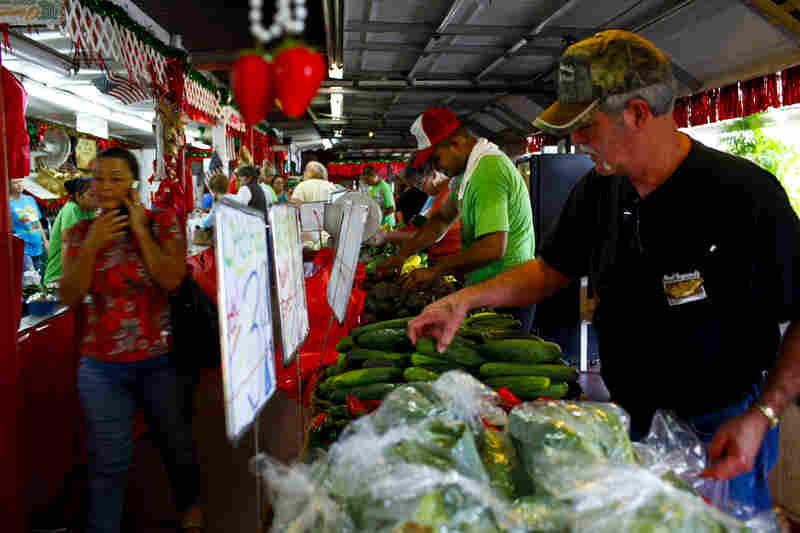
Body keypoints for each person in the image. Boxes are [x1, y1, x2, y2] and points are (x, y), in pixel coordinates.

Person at [408, 30, 800, 511]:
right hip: (630, 422)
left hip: (723, 429)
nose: (575, 140)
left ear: (636, 113)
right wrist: (463, 300)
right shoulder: (600, 189)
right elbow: (549, 270)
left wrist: (763, 415)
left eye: (586, 126)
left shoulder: (743, 195)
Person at [60, 148, 203, 533]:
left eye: (116, 178)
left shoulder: (162, 224)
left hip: (160, 360)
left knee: (175, 445)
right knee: (109, 461)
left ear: (133, 185)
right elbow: (70, 296)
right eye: (98, 178)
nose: (105, 187)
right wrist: (92, 245)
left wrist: (140, 230)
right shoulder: (79, 234)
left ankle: (191, 511)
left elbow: (172, 279)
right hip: (100, 366)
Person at [377, 107, 536, 328]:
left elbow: (493, 248)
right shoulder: (466, 174)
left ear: (456, 143)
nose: (436, 168)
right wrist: (402, 255)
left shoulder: (488, 171)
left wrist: (435, 271)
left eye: (436, 159)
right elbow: (442, 219)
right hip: (490, 289)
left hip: (507, 293)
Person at [372, 162, 462, 262]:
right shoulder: (437, 194)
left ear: (434, 175)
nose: (422, 190)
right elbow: (424, 217)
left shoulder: (447, 193)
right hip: (440, 254)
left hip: (451, 255)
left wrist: (387, 236)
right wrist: (404, 229)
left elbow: (430, 233)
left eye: (420, 184)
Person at [43, 177, 96, 285]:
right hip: (59, 278)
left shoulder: (90, 211)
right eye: (91, 195)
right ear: (78, 196)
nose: (96, 200)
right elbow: (67, 244)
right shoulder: (71, 209)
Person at [10, 177, 49, 276]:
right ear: (9, 185)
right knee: (30, 279)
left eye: (20, 181)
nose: (19, 184)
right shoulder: (8, 203)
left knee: (37, 277)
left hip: (37, 245)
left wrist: (45, 241)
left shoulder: (30, 199)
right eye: (15, 183)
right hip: (23, 248)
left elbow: (37, 222)